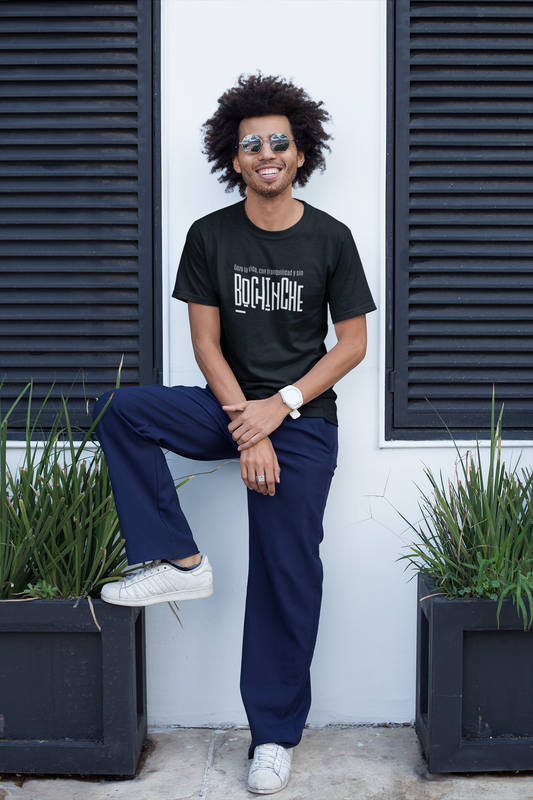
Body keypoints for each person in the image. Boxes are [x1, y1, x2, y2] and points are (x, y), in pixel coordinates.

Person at [94, 73, 376, 795]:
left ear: (301, 153)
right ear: (235, 158)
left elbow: (350, 346)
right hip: (231, 409)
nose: (266, 153)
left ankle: (274, 736)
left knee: (287, 572)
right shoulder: (209, 235)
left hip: (303, 422)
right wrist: (249, 430)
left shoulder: (331, 238)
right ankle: (180, 559)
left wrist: (279, 408)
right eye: (252, 144)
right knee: (122, 410)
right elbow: (205, 344)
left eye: (279, 141)